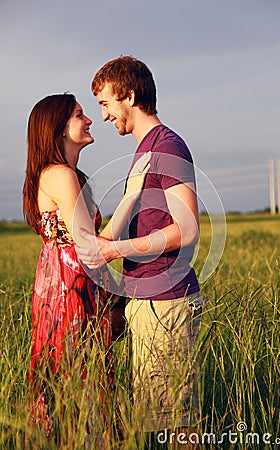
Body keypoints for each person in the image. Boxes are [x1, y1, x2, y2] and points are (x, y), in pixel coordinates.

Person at [76, 56, 205, 438]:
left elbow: (187, 230)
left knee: (179, 426)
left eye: (105, 103)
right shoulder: (145, 150)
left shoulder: (168, 146)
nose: (103, 116)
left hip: (167, 302)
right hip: (148, 302)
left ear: (129, 95)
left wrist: (113, 251)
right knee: (159, 421)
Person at [23, 93, 150, 439]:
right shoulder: (60, 175)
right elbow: (91, 247)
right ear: (59, 129)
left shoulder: (68, 175)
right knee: (81, 378)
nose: (90, 119)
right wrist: (133, 195)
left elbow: (96, 243)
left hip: (69, 281)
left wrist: (132, 194)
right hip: (69, 288)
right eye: (80, 115)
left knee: (76, 377)